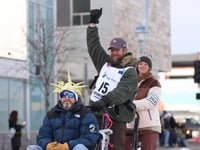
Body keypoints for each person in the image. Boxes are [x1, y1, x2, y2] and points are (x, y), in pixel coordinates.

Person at [87, 8, 138, 150]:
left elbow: (123, 91)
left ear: (124, 50)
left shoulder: (130, 71)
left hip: (116, 116)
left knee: (114, 147)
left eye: (117, 50)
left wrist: (106, 100)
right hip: (97, 112)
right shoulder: (106, 63)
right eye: (112, 50)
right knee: (87, 143)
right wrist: (92, 24)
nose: (114, 52)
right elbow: (94, 47)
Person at [26, 71, 99, 150]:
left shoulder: (86, 114)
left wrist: (68, 146)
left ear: (76, 98)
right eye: (63, 95)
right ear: (60, 98)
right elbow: (42, 136)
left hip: (73, 148)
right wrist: (48, 145)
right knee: (32, 148)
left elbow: (90, 137)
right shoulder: (51, 114)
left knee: (79, 148)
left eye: (70, 95)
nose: (66, 98)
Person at [127, 55, 162, 150]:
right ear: (137, 66)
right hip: (130, 124)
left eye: (145, 64)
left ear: (149, 67)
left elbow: (150, 102)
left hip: (149, 125)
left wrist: (131, 104)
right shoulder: (130, 82)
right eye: (140, 64)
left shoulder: (154, 83)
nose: (143, 66)